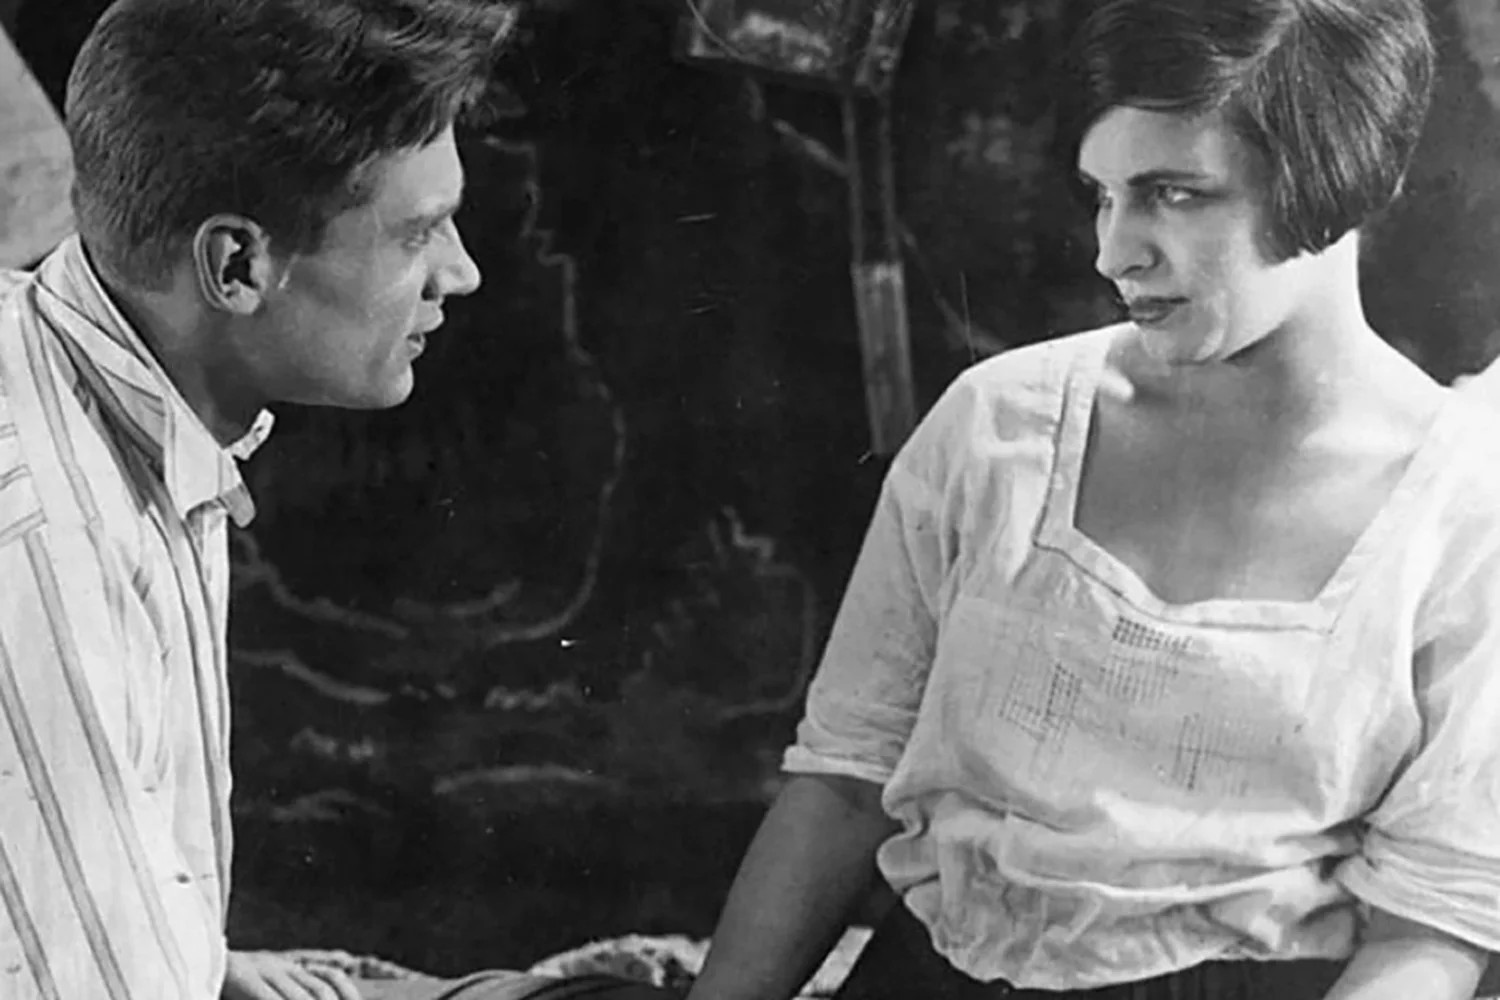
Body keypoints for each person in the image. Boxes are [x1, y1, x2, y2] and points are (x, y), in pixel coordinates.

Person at [684, 1, 1500, 998]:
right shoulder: (999, 423)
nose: (1115, 251)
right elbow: (844, 785)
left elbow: (1432, 927)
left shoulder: (1465, 506)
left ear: (1335, 176)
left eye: (1174, 194)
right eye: (1102, 195)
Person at [0, 2, 676, 999]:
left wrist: (190, 956)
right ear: (237, 265)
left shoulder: (72, 362)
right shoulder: (46, 548)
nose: (461, 272)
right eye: (417, 233)